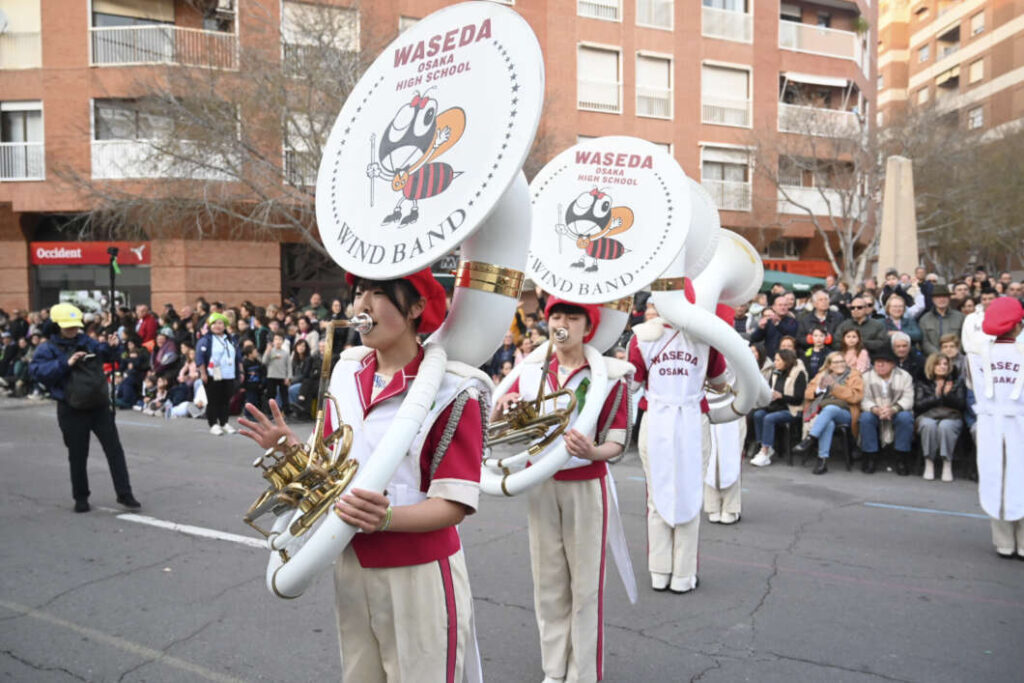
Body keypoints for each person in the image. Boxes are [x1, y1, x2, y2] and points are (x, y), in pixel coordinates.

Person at [240, 269, 486, 681]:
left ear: (416, 307)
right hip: (351, 562)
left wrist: (387, 517)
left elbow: (455, 503)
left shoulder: (454, 389)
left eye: (379, 293)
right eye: (359, 293)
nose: (363, 306)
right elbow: (335, 470)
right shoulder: (347, 376)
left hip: (418, 572)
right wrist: (289, 450)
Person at [495, 297, 632, 683]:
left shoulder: (611, 375)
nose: (563, 323)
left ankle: (583, 674)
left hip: (586, 485)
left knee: (586, 587)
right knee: (549, 582)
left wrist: (592, 451)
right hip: (540, 484)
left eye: (573, 317)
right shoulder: (531, 370)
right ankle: (554, 670)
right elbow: (498, 421)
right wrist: (504, 404)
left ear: (587, 328)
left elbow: (618, 441)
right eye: (557, 315)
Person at [630, 297, 727, 594]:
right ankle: (683, 574)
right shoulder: (706, 335)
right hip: (692, 418)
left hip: (656, 418)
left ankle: (660, 571)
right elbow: (721, 382)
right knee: (690, 492)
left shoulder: (642, 336)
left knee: (656, 494)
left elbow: (632, 383)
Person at [28, 303, 141, 513]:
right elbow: (38, 373)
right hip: (71, 408)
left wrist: (113, 346)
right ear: (56, 325)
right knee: (78, 454)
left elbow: (107, 356)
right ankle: (81, 498)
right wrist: (65, 363)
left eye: (75, 326)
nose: (73, 330)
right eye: (68, 327)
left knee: (115, 450)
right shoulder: (47, 348)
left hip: (98, 405)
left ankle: (125, 494)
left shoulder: (86, 341)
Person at [965, 297, 1024, 558]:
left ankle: (1003, 542)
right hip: (1020, 422)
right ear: (1017, 325)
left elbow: (970, 386)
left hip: (990, 423)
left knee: (995, 477)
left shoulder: (976, 354)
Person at [793, 352, 864, 474]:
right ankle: (822, 460)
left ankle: (810, 439)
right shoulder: (822, 375)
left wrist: (834, 387)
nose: (840, 364)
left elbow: (855, 397)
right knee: (828, 423)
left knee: (830, 409)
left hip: (846, 412)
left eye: (842, 361)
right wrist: (820, 389)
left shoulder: (854, 375)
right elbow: (808, 393)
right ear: (829, 365)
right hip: (823, 413)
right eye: (836, 362)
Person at [858, 347, 915, 475]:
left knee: (905, 418)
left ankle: (901, 457)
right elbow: (863, 399)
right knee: (866, 418)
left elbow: (908, 399)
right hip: (875, 410)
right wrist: (875, 409)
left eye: (884, 362)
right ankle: (870, 456)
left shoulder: (904, 376)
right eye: (877, 362)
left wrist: (893, 409)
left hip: (896, 410)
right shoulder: (866, 376)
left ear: (893, 364)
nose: (880, 364)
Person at [915, 353, 967, 482]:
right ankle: (929, 461)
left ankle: (947, 463)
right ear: (931, 366)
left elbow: (961, 405)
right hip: (927, 415)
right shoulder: (923, 381)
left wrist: (947, 395)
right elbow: (918, 406)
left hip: (952, 416)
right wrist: (937, 396)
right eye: (938, 364)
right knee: (928, 425)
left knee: (945, 426)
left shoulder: (956, 380)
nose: (942, 367)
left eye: (945, 364)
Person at [750, 349, 807, 467]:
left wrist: (781, 396)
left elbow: (799, 399)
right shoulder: (776, 372)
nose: (775, 362)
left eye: (778, 360)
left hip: (792, 409)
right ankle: (764, 447)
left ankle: (765, 451)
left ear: (786, 361)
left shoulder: (799, 374)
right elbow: (770, 389)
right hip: (776, 406)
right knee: (758, 414)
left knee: (769, 418)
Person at [195, 311, 240, 436]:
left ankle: (224, 422)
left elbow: (237, 356)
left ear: (225, 325)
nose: (217, 326)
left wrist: (240, 371)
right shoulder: (206, 340)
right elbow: (200, 357)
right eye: (214, 323)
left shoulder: (230, 339)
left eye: (220, 323)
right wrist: (203, 373)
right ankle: (213, 423)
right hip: (213, 372)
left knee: (226, 399)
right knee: (214, 399)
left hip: (229, 373)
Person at [919, 285, 965, 355]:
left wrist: (954, 352)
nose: (941, 299)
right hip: (934, 360)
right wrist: (938, 355)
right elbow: (924, 342)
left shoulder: (960, 317)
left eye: (944, 297)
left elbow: (964, 338)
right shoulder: (924, 319)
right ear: (933, 300)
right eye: (938, 297)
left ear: (949, 298)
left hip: (957, 358)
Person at [750, 293, 798, 358]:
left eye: (785, 305)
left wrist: (778, 324)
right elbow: (754, 339)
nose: (783, 307)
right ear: (774, 307)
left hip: (786, 358)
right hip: (769, 358)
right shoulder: (768, 322)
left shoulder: (792, 321)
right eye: (780, 305)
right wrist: (760, 329)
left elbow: (791, 333)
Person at [262, 331, 292, 416]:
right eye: (276, 339)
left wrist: (288, 377)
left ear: (283, 341)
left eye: (280, 339)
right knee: (271, 395)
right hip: (271, 376)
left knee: (284, 395)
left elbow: (288, 366)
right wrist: (267, 351)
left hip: (282, 376)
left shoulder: (285, 353)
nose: (278, 341)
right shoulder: (270, 351)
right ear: (273, 341)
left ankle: (286, 412)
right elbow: (264, 362)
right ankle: (269, 412)